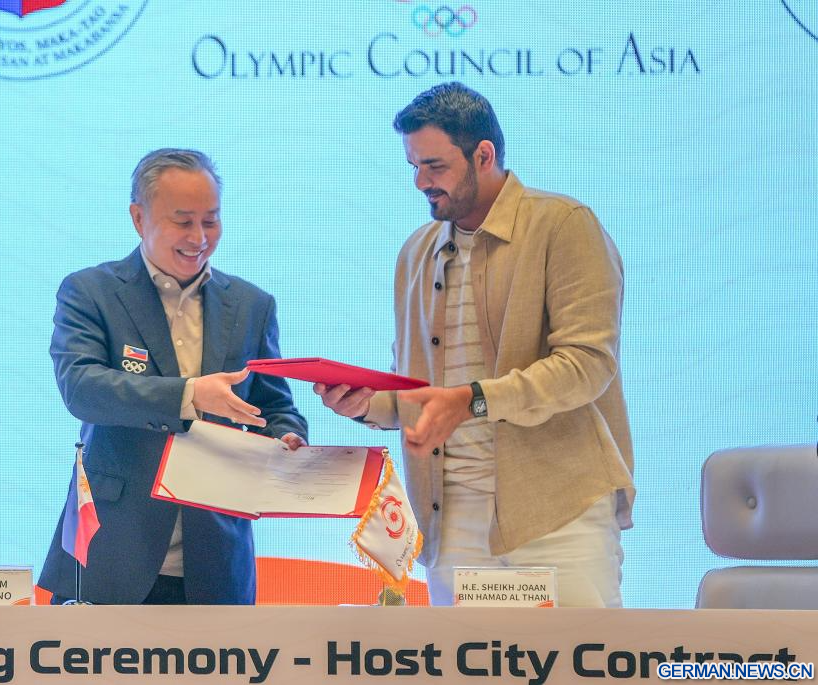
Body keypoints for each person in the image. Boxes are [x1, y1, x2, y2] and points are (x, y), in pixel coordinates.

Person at [316, 83, 634, 607]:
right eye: (414, 167)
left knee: (578, 655)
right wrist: (366, 404)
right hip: (452, 518)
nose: (421, 182)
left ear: (484, 155)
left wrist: (470, 401)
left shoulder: (563, 226)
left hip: (556, 514)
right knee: (466, 656)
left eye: (435, 166)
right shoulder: (416, 252)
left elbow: (586, 365)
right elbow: (422, 396)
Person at [39, 148, 307, 605]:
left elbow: (274, 406)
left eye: (211, 221)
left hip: (218, 560)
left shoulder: (252, 305)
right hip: (112, 551)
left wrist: (287, 438)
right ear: (138, 218)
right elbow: (82, 389)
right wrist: (190, 395)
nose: (199, 238)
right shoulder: (90, 292)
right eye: (183, 222)